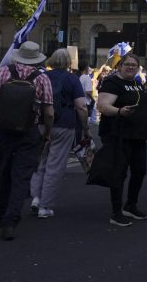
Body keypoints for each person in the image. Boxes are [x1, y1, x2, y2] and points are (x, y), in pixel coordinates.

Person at [0, 41, 53, 240]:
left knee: (3, 172)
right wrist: (47, 132)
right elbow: (49, 111)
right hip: (28, 131)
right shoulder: (42, 78)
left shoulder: (3, 72)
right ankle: (11, 219)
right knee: (22, 176)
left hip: (2, 130)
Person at [29, 48, 89, 219]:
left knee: (40, 161)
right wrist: (85, 128)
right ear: (69, 62)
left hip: (41, 122)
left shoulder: (42, 77)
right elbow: (81, 106)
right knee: (55, 165)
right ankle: (45, 205)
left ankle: (36, 197)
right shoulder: (72, 79)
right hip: (65, 123)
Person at [95, 54, 147, 227]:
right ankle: (116, 211)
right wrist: (119, 111)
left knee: (140, 171)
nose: (131, 67)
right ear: (119, 66)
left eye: (134, 65)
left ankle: (131, 204)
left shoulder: (137, 83)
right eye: (127, 64)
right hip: (117, 135)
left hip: (138, 136)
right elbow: (102, 106)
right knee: (118, 172)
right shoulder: (113, 82)